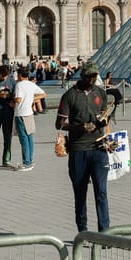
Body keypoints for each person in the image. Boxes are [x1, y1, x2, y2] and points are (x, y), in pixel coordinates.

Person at [56, 61, 111, 233]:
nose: (93, 79)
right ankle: (83, 232)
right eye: (90, 76)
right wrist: (80, 127)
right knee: (80, 194)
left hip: (99, 148)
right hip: (78, 149)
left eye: (95, 76)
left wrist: (104, 121)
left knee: (101, 192)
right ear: (82, 76)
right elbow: (59, 123)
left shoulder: (101, 94)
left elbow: (104, 117)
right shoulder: (69, 96)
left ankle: (105, 232)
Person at [13, 65, 46, 171]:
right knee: (29, 138)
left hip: (21, 114)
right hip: (29, 114)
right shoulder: (31, 84)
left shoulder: (19, 85)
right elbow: (43, 94)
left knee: (23, 139)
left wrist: (12, 101)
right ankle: (30, 160)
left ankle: (26, 163)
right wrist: (32, 99)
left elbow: (18, 99)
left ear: (19, 75)